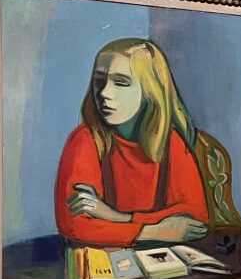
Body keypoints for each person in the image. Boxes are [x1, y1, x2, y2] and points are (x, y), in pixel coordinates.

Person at [54, 38, 209, 247]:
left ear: (150, 90)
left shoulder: (170, 141)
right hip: (101, 258)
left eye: (120, 83)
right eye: (99, 81)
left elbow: (196, 218)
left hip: (159, 258)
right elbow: (73, 225)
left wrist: (116, 217)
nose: (104, 93)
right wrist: (154, 231)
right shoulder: (85, 139)